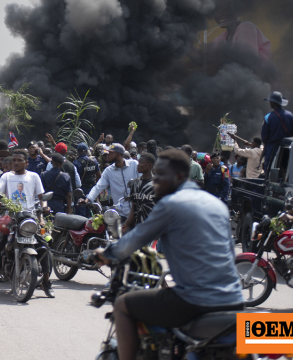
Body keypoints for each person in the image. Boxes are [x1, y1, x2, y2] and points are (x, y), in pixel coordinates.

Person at [93, 149, 244, 360]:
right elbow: (229, 253)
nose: (156, 180)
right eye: (155, 174)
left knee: (122, 305)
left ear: (180, 177)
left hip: (193, 300)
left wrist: (107, 253)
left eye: (161, 175)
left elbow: (135, 239)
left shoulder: (171, 204)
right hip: (234, 300)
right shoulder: (216, 204)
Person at [0, 149, 53, 297]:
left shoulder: (34, 176)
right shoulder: (6, 177)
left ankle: (46, 282)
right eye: (14, 160)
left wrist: (44, 209)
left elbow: (41, 197)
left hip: (29, 217)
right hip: (10, 217)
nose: (16, 163)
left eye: (20, 160)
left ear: (26, 162)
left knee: (44, 246)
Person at [84, 144, 139, 218]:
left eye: (111, 152)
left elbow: (143, 182)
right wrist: (88, 199)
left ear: (118, 154)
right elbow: (98, 186)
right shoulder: (108, 171)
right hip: (120, 214)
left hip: (137, 212)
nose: (108, 155)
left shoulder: (134, 164)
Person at [122, 152, 157, 233]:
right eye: (138, 162)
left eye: (141, 163)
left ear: (149, 165)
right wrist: (126, 224)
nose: (138, 165)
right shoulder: (134, 183)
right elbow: (133, 208)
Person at [262, 91, 293, 169]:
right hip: (287, 148)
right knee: (285, 168)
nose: (270, 103)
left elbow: (264, 136)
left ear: (274, 103)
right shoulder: (290, 115)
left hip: (272, 148)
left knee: (270, 169)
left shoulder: (268, 117)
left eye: (271, 102)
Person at [73, 143, 101, 217]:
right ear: (86, 151)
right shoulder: (94, 161)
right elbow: (99, 175)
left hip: (81, 190)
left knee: (81, 212)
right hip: (92, 190)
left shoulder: (76, 163)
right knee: (93, 211)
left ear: (78, 152)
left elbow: (75, 179)